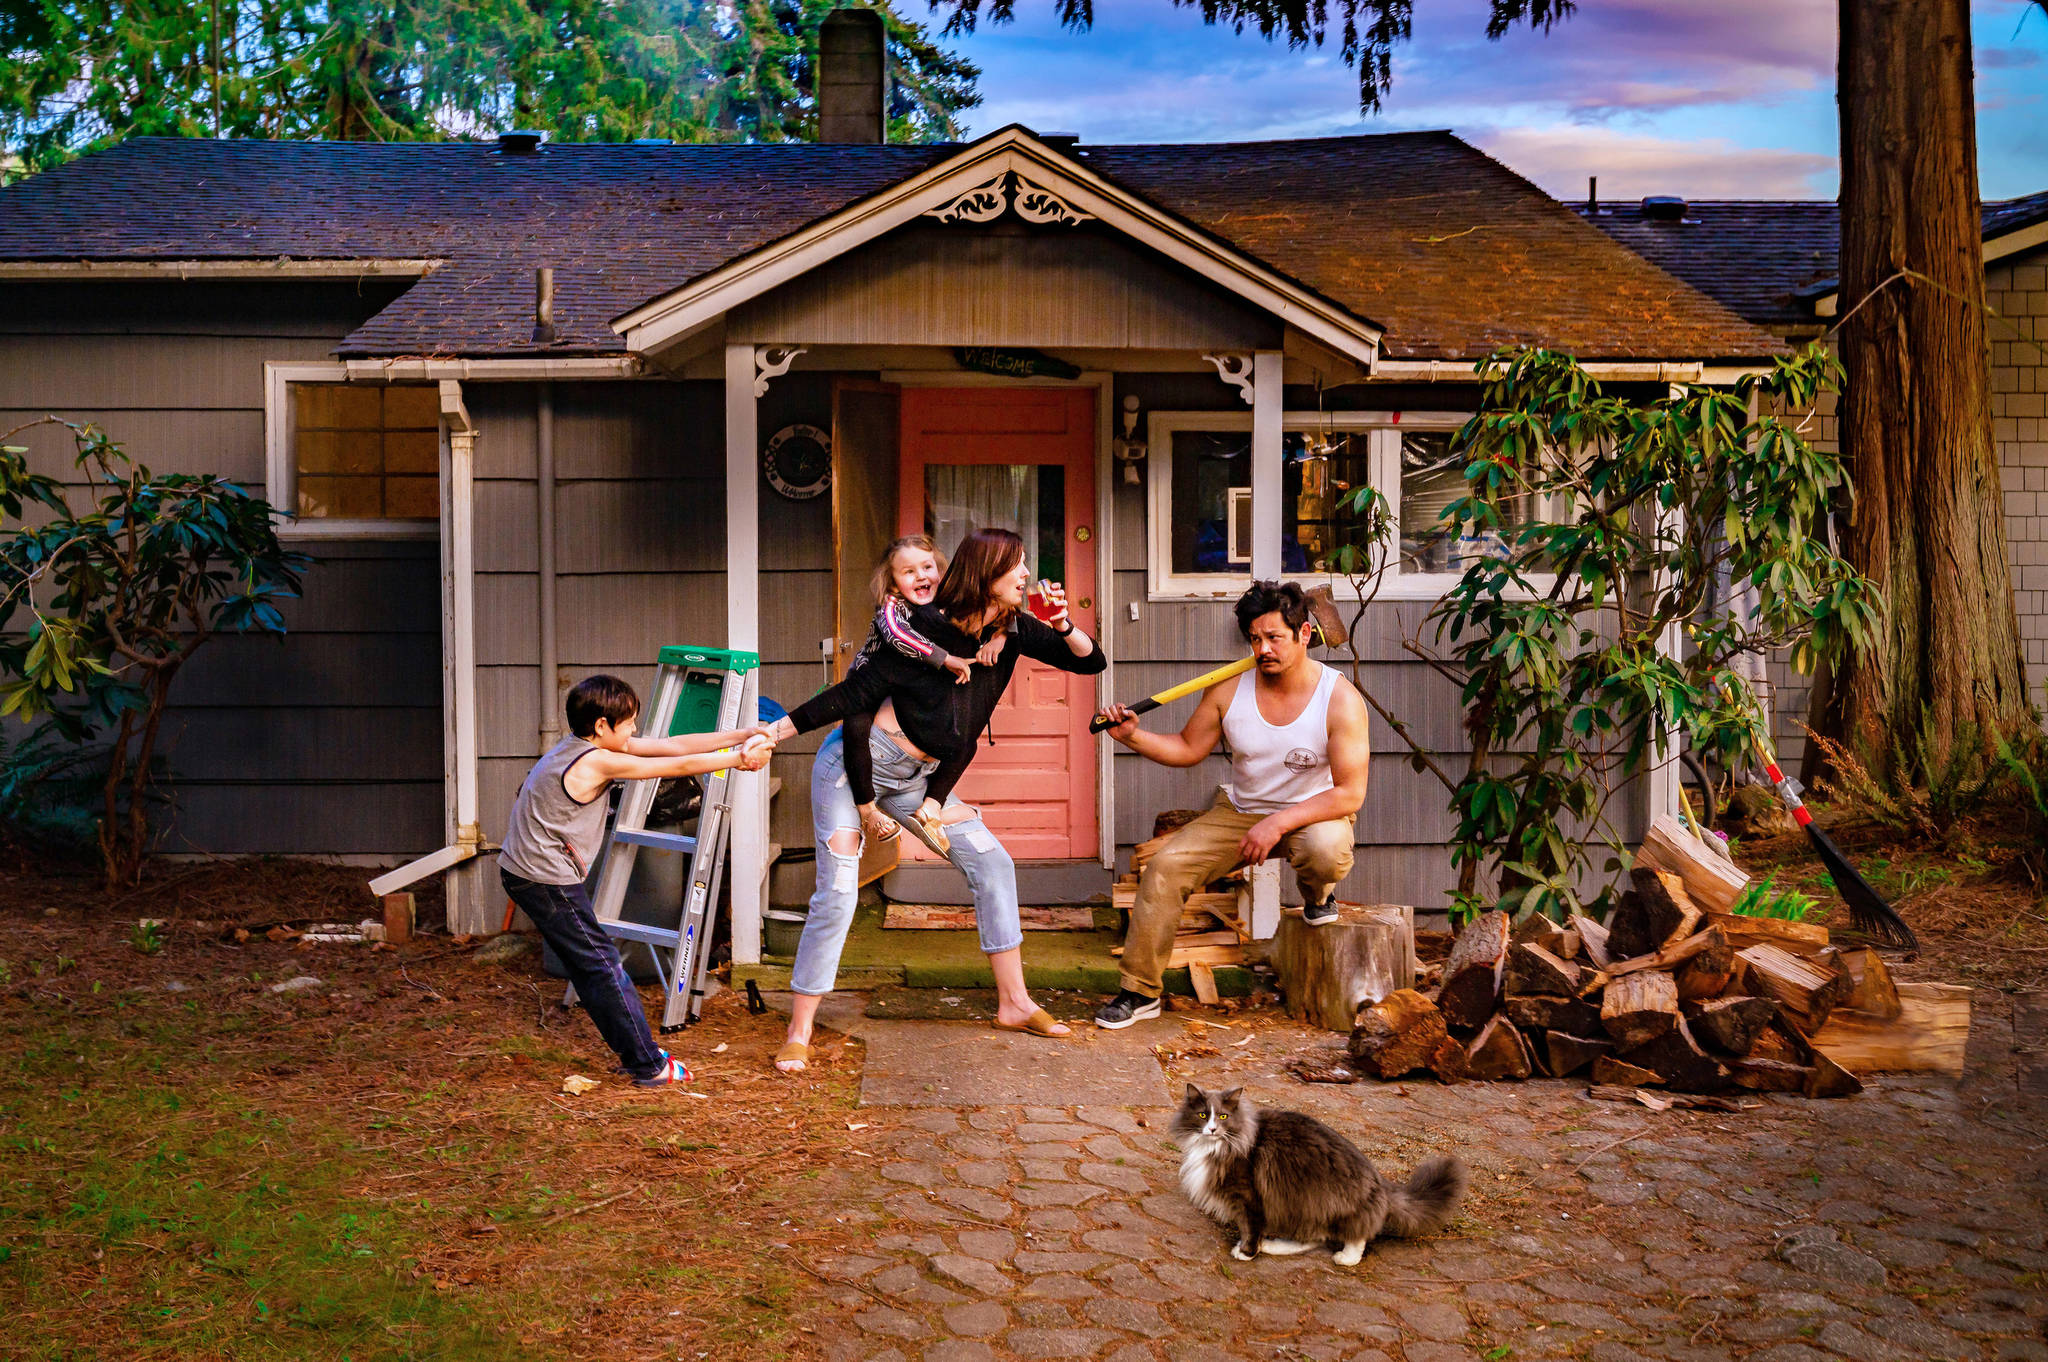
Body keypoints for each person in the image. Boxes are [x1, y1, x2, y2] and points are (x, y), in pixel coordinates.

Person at [765, 527, 1105, 1070]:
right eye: (1016, 565)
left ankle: (1015, 1003)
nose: (1025, 574)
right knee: (839, 895)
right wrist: (775, 733)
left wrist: (1062, 624)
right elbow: (853, 694)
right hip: (854, 771)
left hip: (919, 782)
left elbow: (1091, 663)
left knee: (993, 863)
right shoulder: (920, 630)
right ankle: (800, 1026)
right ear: (986, 575)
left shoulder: (1011, 630)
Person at [1091, 581, 1370, 1030]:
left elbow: (1349, 794)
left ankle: (1318, 895)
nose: (1263, 649)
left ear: (1304, 635)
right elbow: (1187, 748)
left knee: (1323, 848)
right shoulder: (1227, 690)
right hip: (1240, 813)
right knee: (1164, 869)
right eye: (1255, 639)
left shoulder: (1338, 699)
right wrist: (1133, 736)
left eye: (1274, 637)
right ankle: (1139, 992)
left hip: (1313, 812)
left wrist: (1278, 823)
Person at [499, 674, 775, 1087]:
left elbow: (675, 745)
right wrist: (738, 759)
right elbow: (674, 766)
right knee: (603, 966)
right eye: (627, 722)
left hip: (527, 872)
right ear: (601, 727)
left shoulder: (583, 745)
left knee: (592, 966)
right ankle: (648, 1065)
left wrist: (742, 733)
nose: (633, 729)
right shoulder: (595, 760)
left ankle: (636, 1055)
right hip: (543, 879)